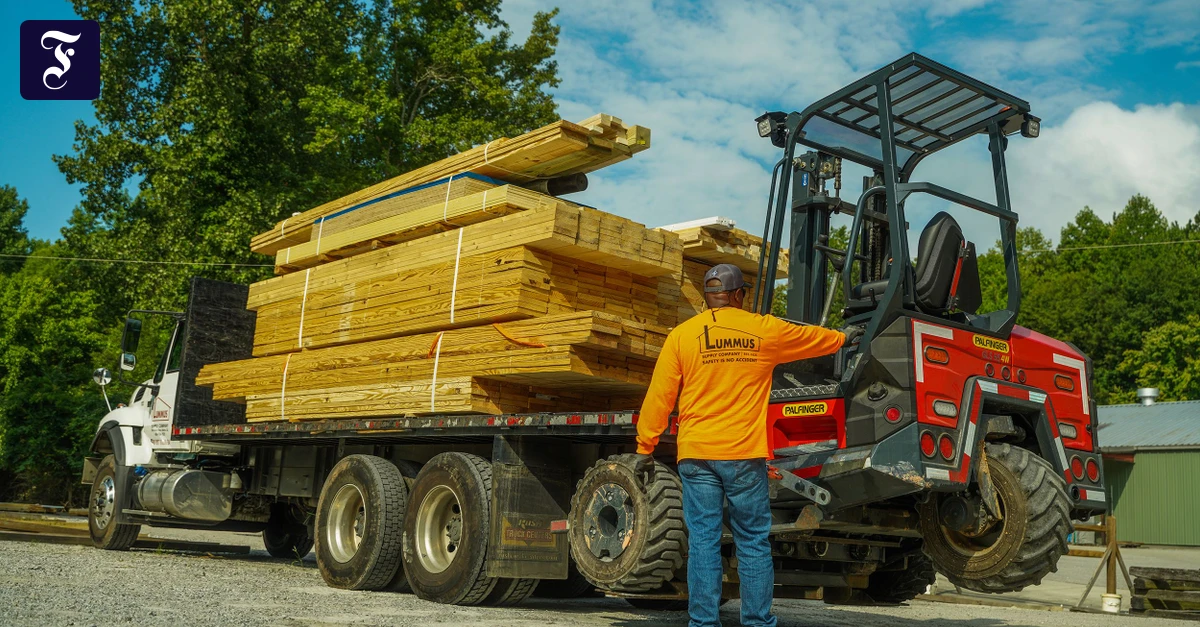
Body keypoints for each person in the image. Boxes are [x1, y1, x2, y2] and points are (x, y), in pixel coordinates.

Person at [635, 263, 856, 627]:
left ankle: (704, 623)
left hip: (697, 455)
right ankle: (756, 622)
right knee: (752, 540)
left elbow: (660, 395)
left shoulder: (683, 335)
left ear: (709, 298)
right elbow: (813, 339)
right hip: (743, 454)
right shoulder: (762, 329)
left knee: (704, 541)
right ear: (739, 295)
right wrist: (843, 338)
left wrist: (646, 447)